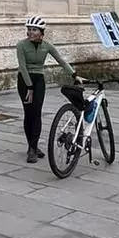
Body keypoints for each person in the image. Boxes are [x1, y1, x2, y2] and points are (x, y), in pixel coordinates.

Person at [15, 15, 80, 163]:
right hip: (25, 81)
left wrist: (74, 75)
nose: (31, 32)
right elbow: (22, 67)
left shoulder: (47, 46)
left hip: (39, 80)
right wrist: (29, 86)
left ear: (41, 32)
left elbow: (61, 60)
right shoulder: (21, 45)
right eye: (29, 29)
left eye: (35, 30)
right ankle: (31, 147)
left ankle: (33, 147)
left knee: (37, 113)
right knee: (29, 113)